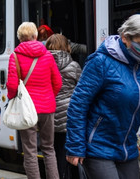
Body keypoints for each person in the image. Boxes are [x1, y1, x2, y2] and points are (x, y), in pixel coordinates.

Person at [65, 14, 140, 179]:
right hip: (97, 148)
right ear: (125, 37)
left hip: (127, 151)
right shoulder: (101, 62)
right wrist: (75, 146)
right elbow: (78, 105)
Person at [7, 22, 62, 179]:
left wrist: (12, 99)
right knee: (49, 148)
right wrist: (49, 97)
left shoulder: (15, 56)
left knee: (30, 150)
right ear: (35, 36)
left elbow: (11, 84)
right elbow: (57, 82)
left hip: (26, 110)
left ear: (19, 38)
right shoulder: (47, 55)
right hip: (47, 108)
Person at [45, 34, 82, 179]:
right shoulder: (74, 66)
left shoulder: (43, 65)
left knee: (53, 154)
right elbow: (82, 91)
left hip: (50, 117)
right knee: (71, 154)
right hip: (69, 118)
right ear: (67, 47)